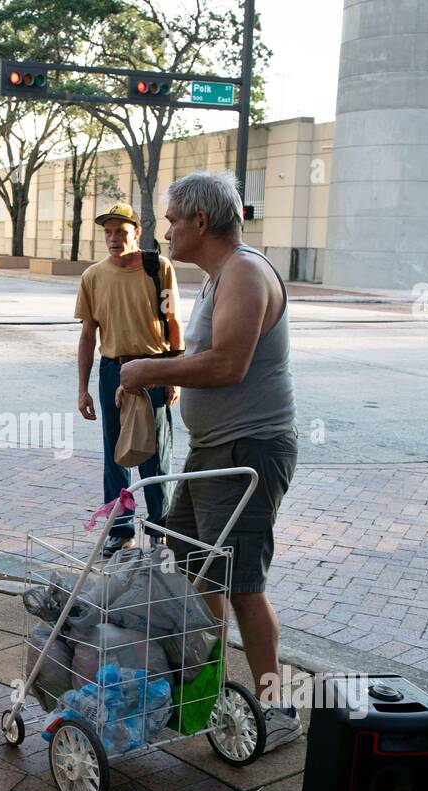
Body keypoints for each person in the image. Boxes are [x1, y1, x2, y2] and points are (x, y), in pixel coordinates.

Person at [117, 170, 302, 753]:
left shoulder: (245, 271)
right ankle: (212, 686)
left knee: (242, 581)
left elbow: (228, 366)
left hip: (247, 450)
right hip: (213, 450)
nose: (163, 230)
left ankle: (277, 708)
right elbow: (209, 360)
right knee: (196, 567)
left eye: (171, 219)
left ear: (201, 221)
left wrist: (150, 370)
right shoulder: (219, 276)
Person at [74, 201, 182, 557]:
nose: (113, 238)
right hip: (112, 370)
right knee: (116, 452)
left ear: (136, 232)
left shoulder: (158, 268)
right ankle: (119, 529)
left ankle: (159, 529)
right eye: (107, 232)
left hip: (154, 368)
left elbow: (173, 323)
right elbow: (88, 334)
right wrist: (82, 389)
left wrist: (174, 373)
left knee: (155, 452)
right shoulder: (93, 276)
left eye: (120, 231)